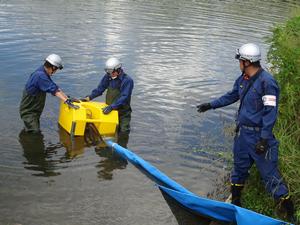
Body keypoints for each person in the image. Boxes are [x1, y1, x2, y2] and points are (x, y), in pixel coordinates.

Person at [196, 43, 295, 221]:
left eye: (240, 60)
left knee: (271, 177)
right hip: (242, 136)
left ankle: (291, 215)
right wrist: (210, 105)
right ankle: (236, 205)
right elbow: (232, 95)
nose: (239, 63)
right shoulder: (243, 79)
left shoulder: (267, 83)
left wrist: (264, 139)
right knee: (239, 170)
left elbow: (270, 113)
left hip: (259, 138)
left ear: (247, 62)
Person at [81, 57, 134, 146]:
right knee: (108, 133)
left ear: (118, 69)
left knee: (123, 132)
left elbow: (124, 97)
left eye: (112, 72)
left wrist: (112, 106)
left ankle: (122, 149)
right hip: (110, 112)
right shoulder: (108, 76)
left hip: (123, 113)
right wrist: (89, 97)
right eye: (108, 73)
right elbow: (100, 89)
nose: (110, 75)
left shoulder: (127, 81)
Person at [19, 54, 79, 133]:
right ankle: (28, 142)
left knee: (31, 127)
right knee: (34, 132)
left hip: (35, 109)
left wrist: (67, 98)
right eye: (56, 69)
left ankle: (25, 135)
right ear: (53, 67)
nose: (55, 72)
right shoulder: (40, 76)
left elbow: (55, 87)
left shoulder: (43, 71)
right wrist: (66, 101)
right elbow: (54, 91)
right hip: (29, 111)